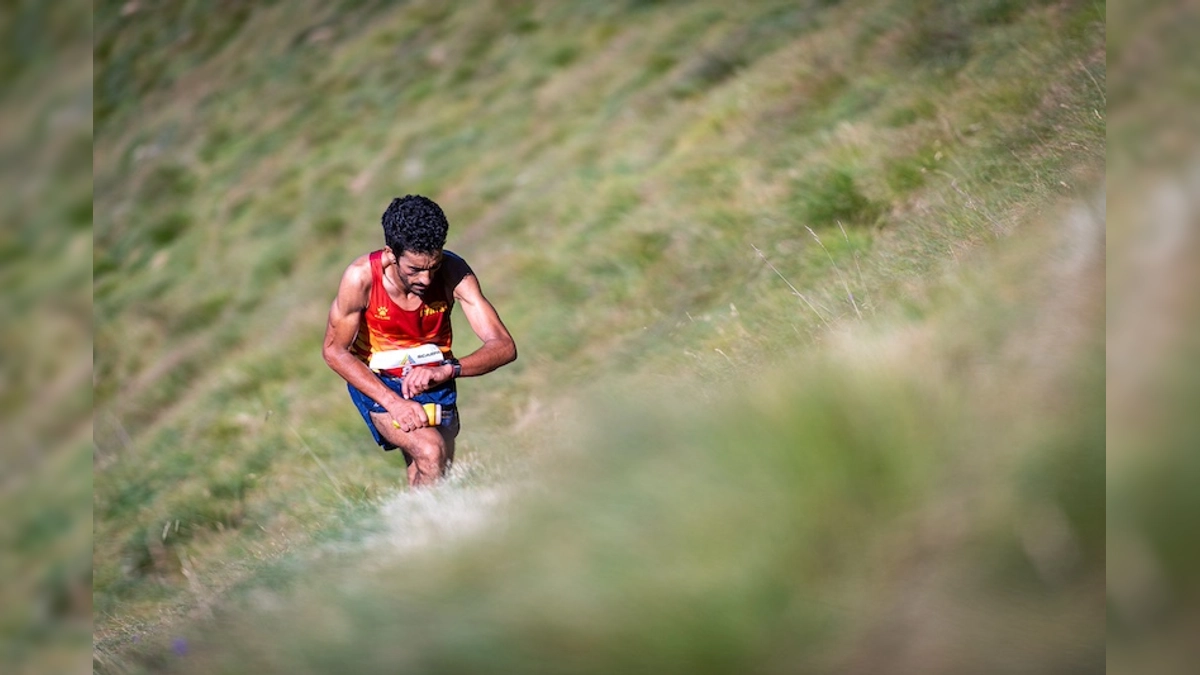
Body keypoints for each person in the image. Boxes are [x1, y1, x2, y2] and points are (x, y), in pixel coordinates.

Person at [322, 195, 517, 487]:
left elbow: (503, 345)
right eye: (414, 269)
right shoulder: (361, 278)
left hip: (435, 380)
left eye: (433, 267)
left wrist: (447, 369)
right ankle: (433, 528)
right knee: (430, 451)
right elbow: (334, 351)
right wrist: (394, 403)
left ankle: (413, 526)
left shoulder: (454, 272)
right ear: (391, 253)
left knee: (430, 471)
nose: (426, 280)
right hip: (381, 383)